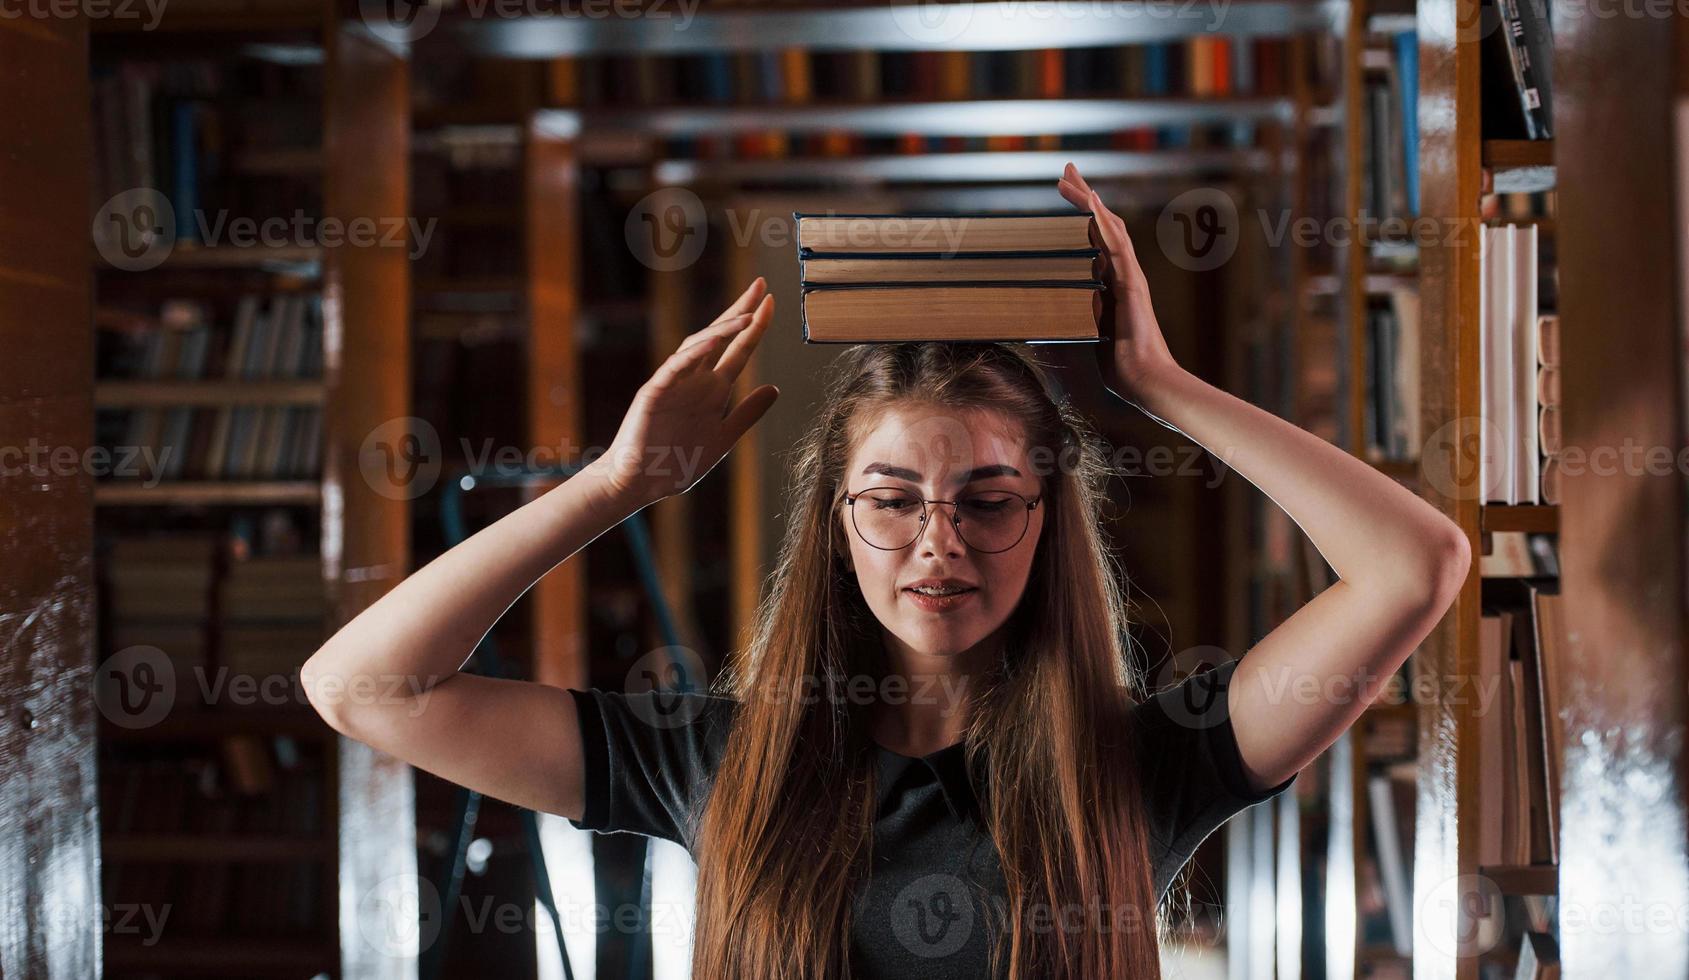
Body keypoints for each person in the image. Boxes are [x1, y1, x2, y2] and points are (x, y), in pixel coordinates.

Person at [301, 163, 1470, 978]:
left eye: (989, 501)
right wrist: (620, 484)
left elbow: (1414, 564)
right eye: (894, 499)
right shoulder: (714, 758)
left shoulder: (1146, 760)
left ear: (1049, 517)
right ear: (836, 521)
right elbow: (364, 686)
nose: (938, 543)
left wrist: (1159, 385)